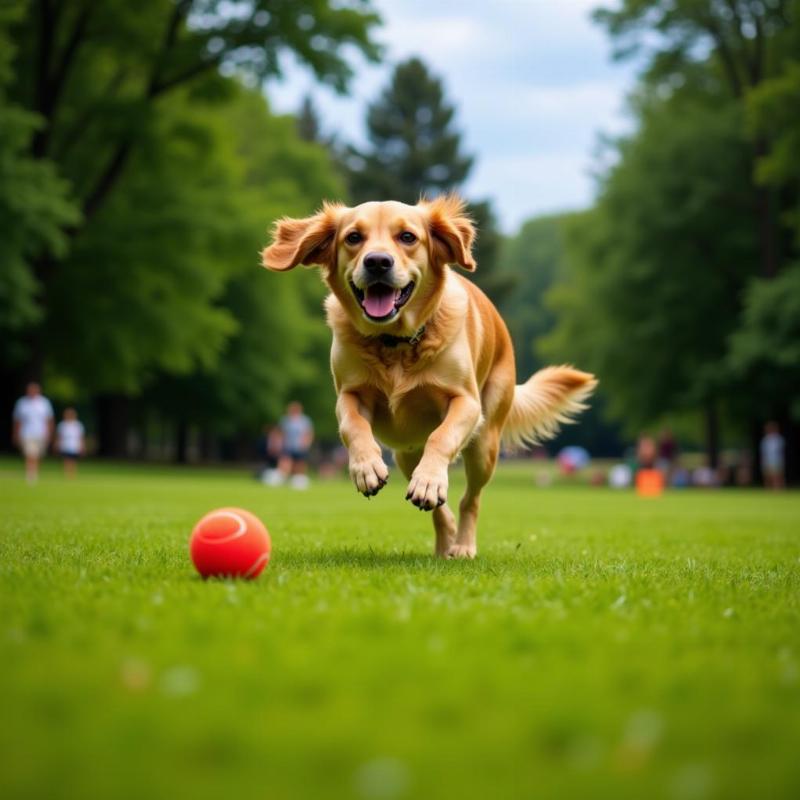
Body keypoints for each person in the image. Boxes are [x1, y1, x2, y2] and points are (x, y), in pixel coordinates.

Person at [12, 382, 54, 484]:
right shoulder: (21, 403)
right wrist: (15, 433)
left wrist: (50, 433)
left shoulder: (44, 403)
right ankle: (31, 475)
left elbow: (49, 419)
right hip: (26, 433)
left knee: (38, 455)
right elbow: (18, 420)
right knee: (30, 453)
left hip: (41, 433)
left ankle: (34, 472)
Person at [279, 401, 314, 489]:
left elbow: (308, 433)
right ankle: (284, 480)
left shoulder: (305, 420)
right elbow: (282, 434)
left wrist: (306, 443)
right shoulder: (285, 420)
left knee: (299, 466)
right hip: (288, 446)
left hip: (300, 447)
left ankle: (298, 482)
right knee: (285, 464)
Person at [56, 407, 85, 479]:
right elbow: (60, 436)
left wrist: (82, 445)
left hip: (74, 444)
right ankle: (67, 474)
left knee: (73, 460)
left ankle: (72, 474)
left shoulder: (78, 425)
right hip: (65, 444)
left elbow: (80, 437)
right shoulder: (62, 425)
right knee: (66, 459)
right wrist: (58, 444)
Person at [760, 421, 785, 490]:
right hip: (767, 460)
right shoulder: (765, 440)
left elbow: (781, 451)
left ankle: (778, 489)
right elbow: (764, 452)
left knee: (777, 475)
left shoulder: (778, 439)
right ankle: (768, 489)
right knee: (767, 476)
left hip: (777, 460)